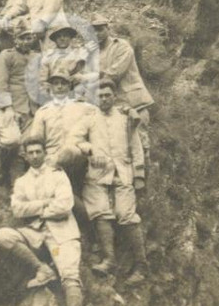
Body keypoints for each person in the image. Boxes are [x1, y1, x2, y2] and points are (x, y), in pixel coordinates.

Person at [0, 137, 83, 306]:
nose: (35, 156)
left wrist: (36, 210)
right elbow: (18, 209)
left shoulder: (58, 175)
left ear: (45, 153)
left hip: (62, 231)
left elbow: (64, 206)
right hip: (35, 233)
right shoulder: (22, 182)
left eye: (38, 152)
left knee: (70, 273)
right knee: (3, 235)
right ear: (25, 156)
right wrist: (45, 203)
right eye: (31, 153)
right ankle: (41, 268)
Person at [85, 80, 148, 284]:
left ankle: (141, 265)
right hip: (98, 173)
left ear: (114, 97)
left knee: (125, 213)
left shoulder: (125, 118)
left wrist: (139, 175)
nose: (104, 99)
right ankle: (109, 260)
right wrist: (89, 151)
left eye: (107, 95)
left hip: (123, 171)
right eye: (100, 96)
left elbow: (136, 146)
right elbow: (78, 140)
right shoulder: (89, 118)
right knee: (99, 210)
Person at [25, 63, 99, 200]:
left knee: (69, 152)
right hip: (51, 158)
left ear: (69, 86)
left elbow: (102, 115)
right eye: (56, 83)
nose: (59, 87)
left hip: (75, 160)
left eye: (63, 83)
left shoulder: (82, 107)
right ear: (51, 87)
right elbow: (36, 140)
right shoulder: (43, 112)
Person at [92, 13, 154, 164]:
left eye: (100, 29)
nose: (97, 34)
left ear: (108, 29)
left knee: (141, 146)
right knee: (121, 149)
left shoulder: (122, 46)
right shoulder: (93, 52)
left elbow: (114, 73)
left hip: (134, 103)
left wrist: (87, 79)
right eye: (93, 31)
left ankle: (145, 175)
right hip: (114, 105)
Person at [0, 20, 40, 130]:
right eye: (21, 38)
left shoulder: (37, 57)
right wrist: (7, 107)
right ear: (15, 39)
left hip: (33, 107)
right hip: (14, 105)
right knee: (11, 136)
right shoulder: (6, 56)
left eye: (29, 38)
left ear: (33, 39)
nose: (25, 42)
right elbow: (0, 84)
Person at [38, 23, 93, 104]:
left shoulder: (80, 54)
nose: (62, 38)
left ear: (70, 37)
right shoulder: (48, 57)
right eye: (59, 36)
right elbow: (43, 81)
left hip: (76, 92)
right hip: (55, 93)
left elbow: (87, 75)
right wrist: (48, 95)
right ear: (55, 39)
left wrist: (79, 78)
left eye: (65, 36)